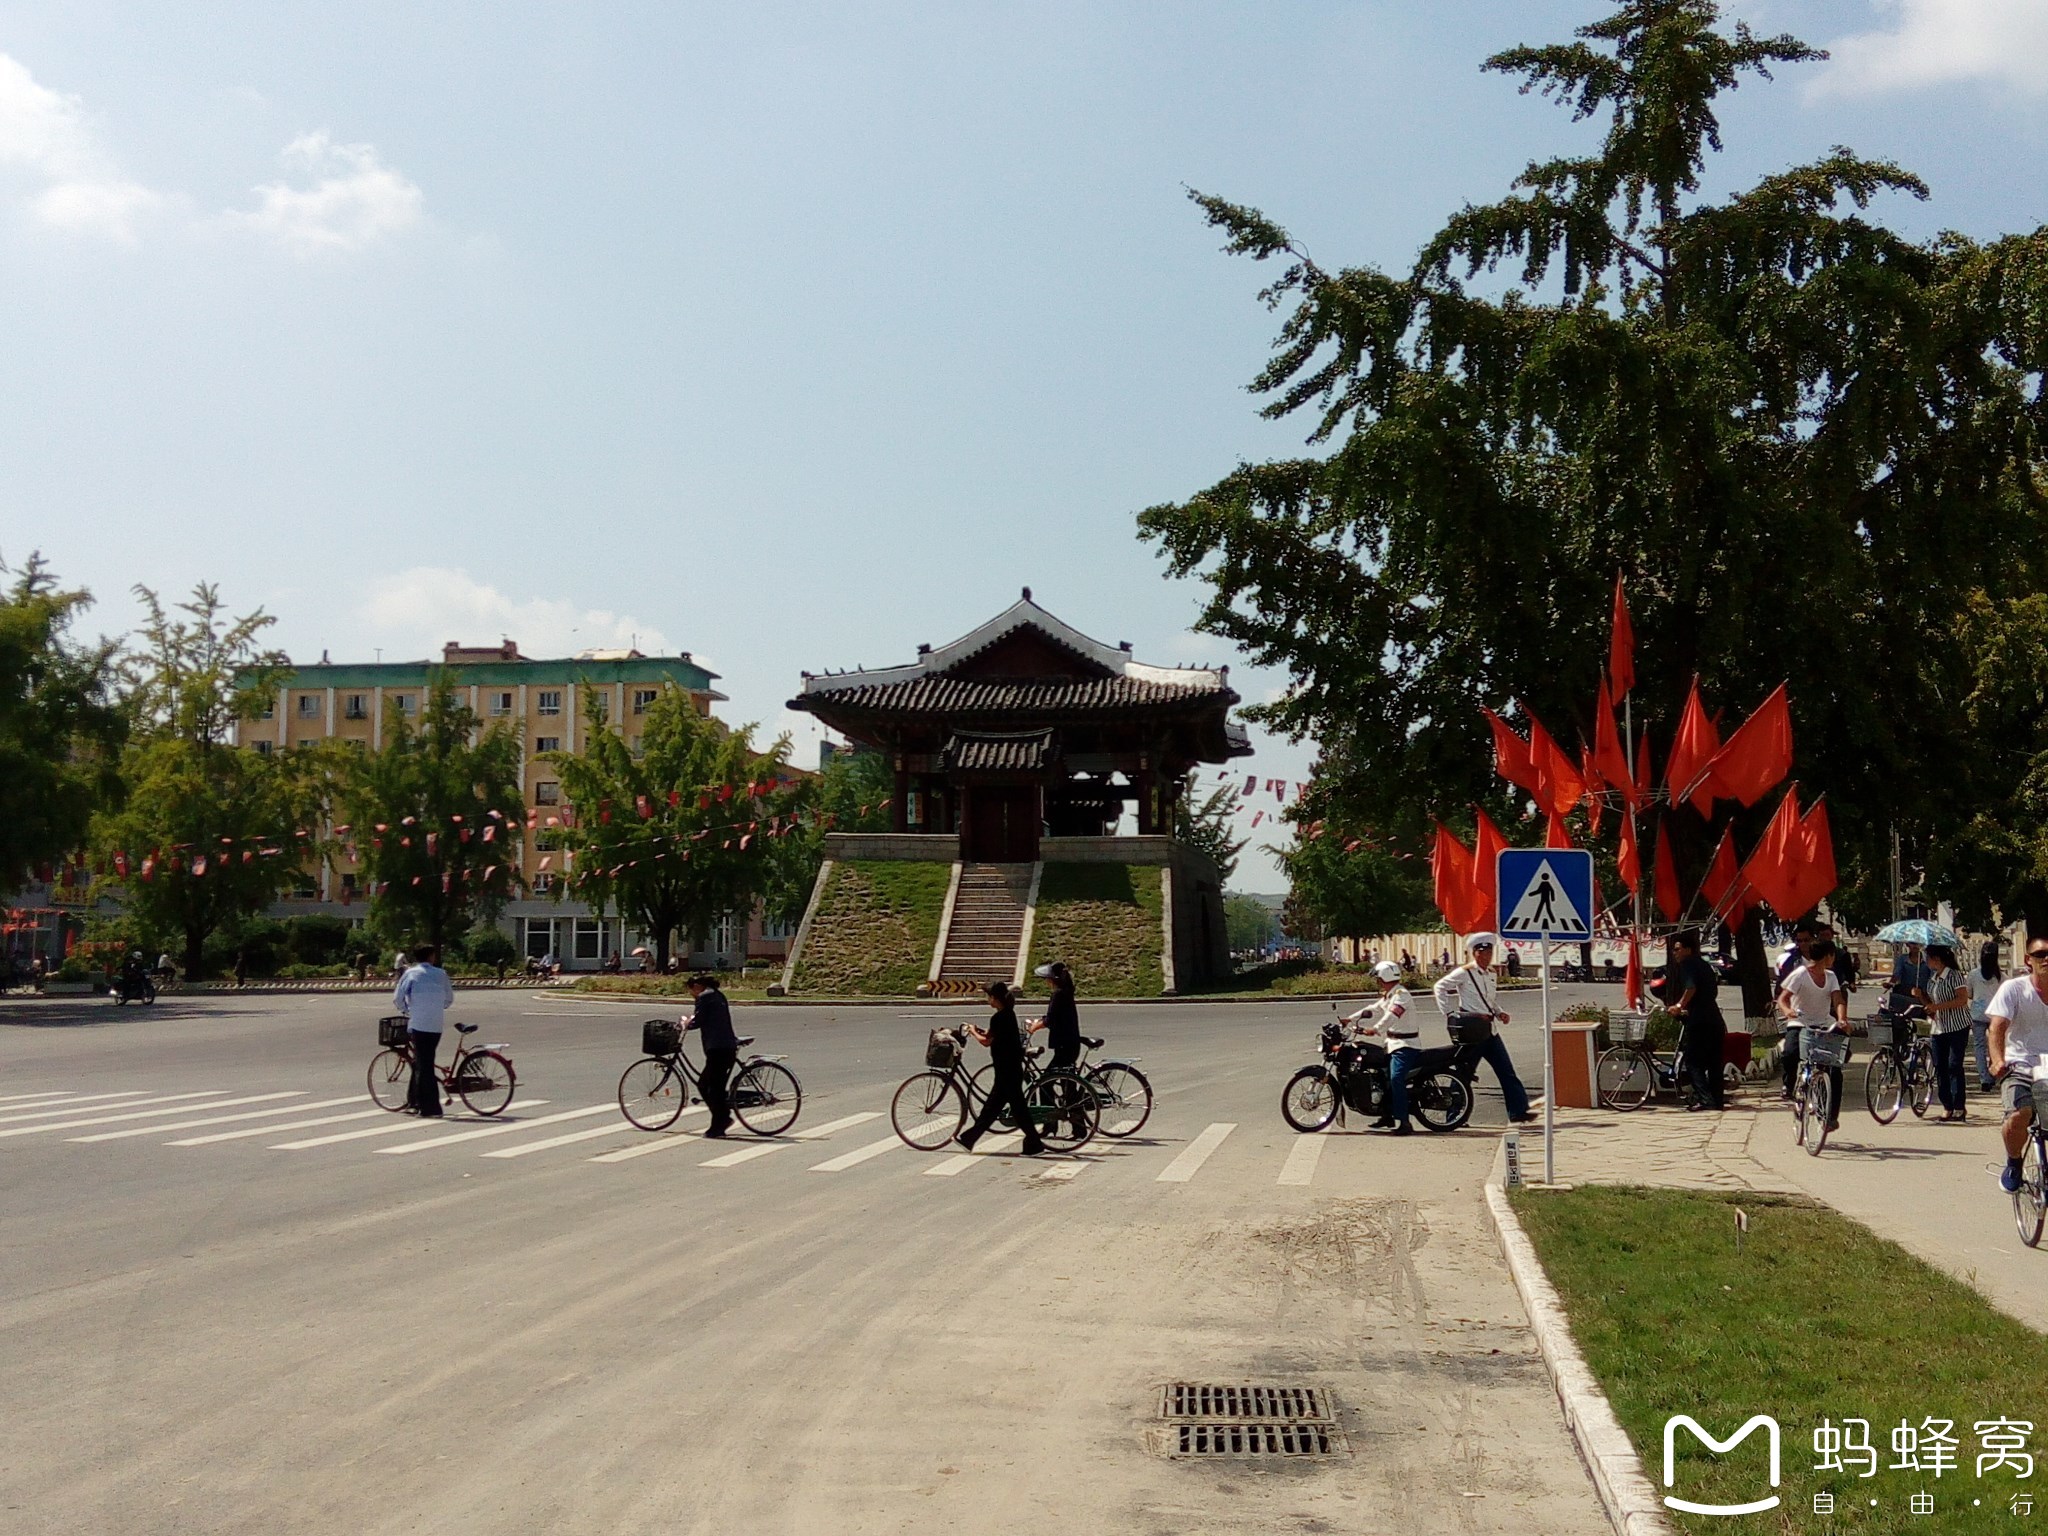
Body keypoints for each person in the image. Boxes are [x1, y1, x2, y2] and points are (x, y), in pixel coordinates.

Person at [1433, 932, 1534, 1124]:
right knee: (1464, 1073)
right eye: (1482, 952)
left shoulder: (1491, 974)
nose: (1486, 956)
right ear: (1475, 953)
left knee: (1506, 1071)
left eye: (1489, 952)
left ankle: (1518, 1111)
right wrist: (1449, 1013)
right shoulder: (1465, 972)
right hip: (1472, 1030)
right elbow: (1439, 987)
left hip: (1489, 1029)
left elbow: (1489, 1000)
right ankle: (1455, 1115)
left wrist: (1499, 1012)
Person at [1987, 940, 2048, 1194]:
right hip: (2019, 1063)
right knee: (2019, 1114)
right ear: (2028, 960)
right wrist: (1998, 1059)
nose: (2046, 959)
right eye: (2040, 954)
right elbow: (1996, 1028)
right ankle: (2014, 1162)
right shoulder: (2013, 989)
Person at [959, 980, 1046, 1155]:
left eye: (989, 996)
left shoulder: (999, 1017)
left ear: (995, 998)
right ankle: (970, 1138)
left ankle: (1034, 1144)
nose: (987, 999)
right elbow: (993, 1035)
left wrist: (972, 1031)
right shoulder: (1007, 1014)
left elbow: (986, 1042)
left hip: (1007, 1070)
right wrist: (979, 1030)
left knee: (1004, 1108)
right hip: (1009, 1068)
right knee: (1000, 1108)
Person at [1778, 939, 1850, 1130]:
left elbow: (1838, 1000)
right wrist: (1788, 1011)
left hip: (1823, 1024)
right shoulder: (1801, 974)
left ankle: (1830, 1117)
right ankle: (1791, 1085)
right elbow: (1783, 999)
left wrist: (1842, 1019)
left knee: (1835, 1070)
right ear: (1827, 956)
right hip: (1800, 1023)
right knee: (1790, 1053)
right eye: (1833, 955)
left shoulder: (1831, 976)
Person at [1345, 960, 1422, 1133]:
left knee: (1396, 1078)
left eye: (1378, 979)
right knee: (1379, 1076)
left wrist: (1375, 1029)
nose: (1377, 982)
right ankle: (1387, 1115)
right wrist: (1349, 1019)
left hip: (1406, 1046)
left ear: (1384, 978)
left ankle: (1404, 1122)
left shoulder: (1402, 996)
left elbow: (1391, 1016)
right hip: (1392, 1045)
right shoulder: (1389, 995)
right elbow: (1373, 1009)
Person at [1666, 928, 1727, 1111]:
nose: (1674, 953)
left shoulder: (1688, 965)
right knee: (1714, 1062)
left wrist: (1679, 1006)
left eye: (1677, 949)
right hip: (1715, 1019)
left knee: (1693, 1061)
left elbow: (1691, 987)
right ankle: (1717, 1101)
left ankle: (1705, 1100)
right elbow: (1710, 992)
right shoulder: (1705, 965)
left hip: (1700, 1022)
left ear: (1687, 949)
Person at [391, 943, 454, 1117]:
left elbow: (397, 999)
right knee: (421, 1062)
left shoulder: (410, 974)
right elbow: (449, 999)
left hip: (418, 1024)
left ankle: (430, 1107)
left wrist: (409, 1011)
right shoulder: (441, 974)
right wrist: (435, 1008)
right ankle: (414, 1101)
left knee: (424, 1065)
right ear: (431, 956)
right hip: (436, 1025)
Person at [1914, 944, 1972, 1121]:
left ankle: (1959, 1106)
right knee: (1940, 1066)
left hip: (1957, 1025)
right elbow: (1930, 1002)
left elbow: (1962, 1000)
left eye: (1928, 957)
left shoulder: (1954, 976)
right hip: (1939, 1027)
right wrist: (1920, 996)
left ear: (1936, 959)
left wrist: (1938, 1007)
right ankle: (1947, 1105)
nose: (1925, 961)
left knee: (1954, 1065)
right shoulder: (1933, 978)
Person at [685, 973, 740, 1138]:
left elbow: (698, 1021)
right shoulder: (717, 994)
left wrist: (685, 1024)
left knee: (710, 1087)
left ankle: (720, 1124)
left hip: (717, 1048)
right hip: (726, 1045)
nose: (691, 994)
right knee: (711, 1085)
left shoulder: (704, 997)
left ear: (695, 987)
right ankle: (723, 1118)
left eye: (690, 991)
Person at [1028, 961, 1082, 1073]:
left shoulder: (1058, 994)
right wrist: (1040, 1021)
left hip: (1064, 1045)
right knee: (1067, 1082)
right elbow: (1056, 1015)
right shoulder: (1066, 992)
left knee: (1046, 1084)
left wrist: (1034, 1027)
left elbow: (1050, 1020)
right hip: (1070, 1043)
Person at [1970, 941, 2002, 1092]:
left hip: (1977, 1015)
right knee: (1994, 1045)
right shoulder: (2002, 977)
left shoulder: (1974, 974)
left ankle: (1984, 1078)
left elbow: (1969, 993)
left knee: (1979, 1046)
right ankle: (1992, 1074)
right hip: (1996, 1015)